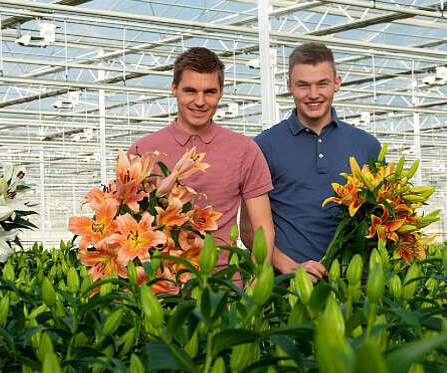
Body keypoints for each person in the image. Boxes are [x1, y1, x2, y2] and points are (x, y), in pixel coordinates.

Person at [129, 47, 275, 268]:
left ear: (221, 92)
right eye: (190, 91)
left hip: (224, 290)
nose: (200, 101)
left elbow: (262, 229)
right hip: (157, 287)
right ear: (174, 89)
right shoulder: (143, 150)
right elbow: (126, 222)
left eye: (209, 92)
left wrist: (256, 284)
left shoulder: (245, 150)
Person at [249, 42, 381, 282]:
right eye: (303, 85)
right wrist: (290, 267)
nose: (313, 94)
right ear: (289, 85)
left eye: (322, 83)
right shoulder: (262, 146)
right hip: (288, 289)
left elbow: (379, 217)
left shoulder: (368, 146)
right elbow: (250, 230)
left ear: (337, 83)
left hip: (356, 288)